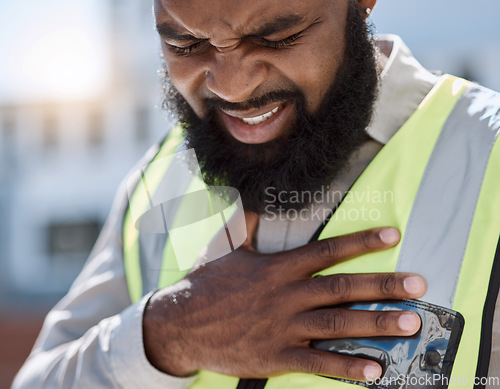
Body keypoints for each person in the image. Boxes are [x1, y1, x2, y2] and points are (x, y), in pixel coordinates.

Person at [13, 0, 500, 388]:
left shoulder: (488, 159)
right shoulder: (157, 179)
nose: (233, 87)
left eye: (277, 37)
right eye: (186, 44)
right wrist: (165, 336)